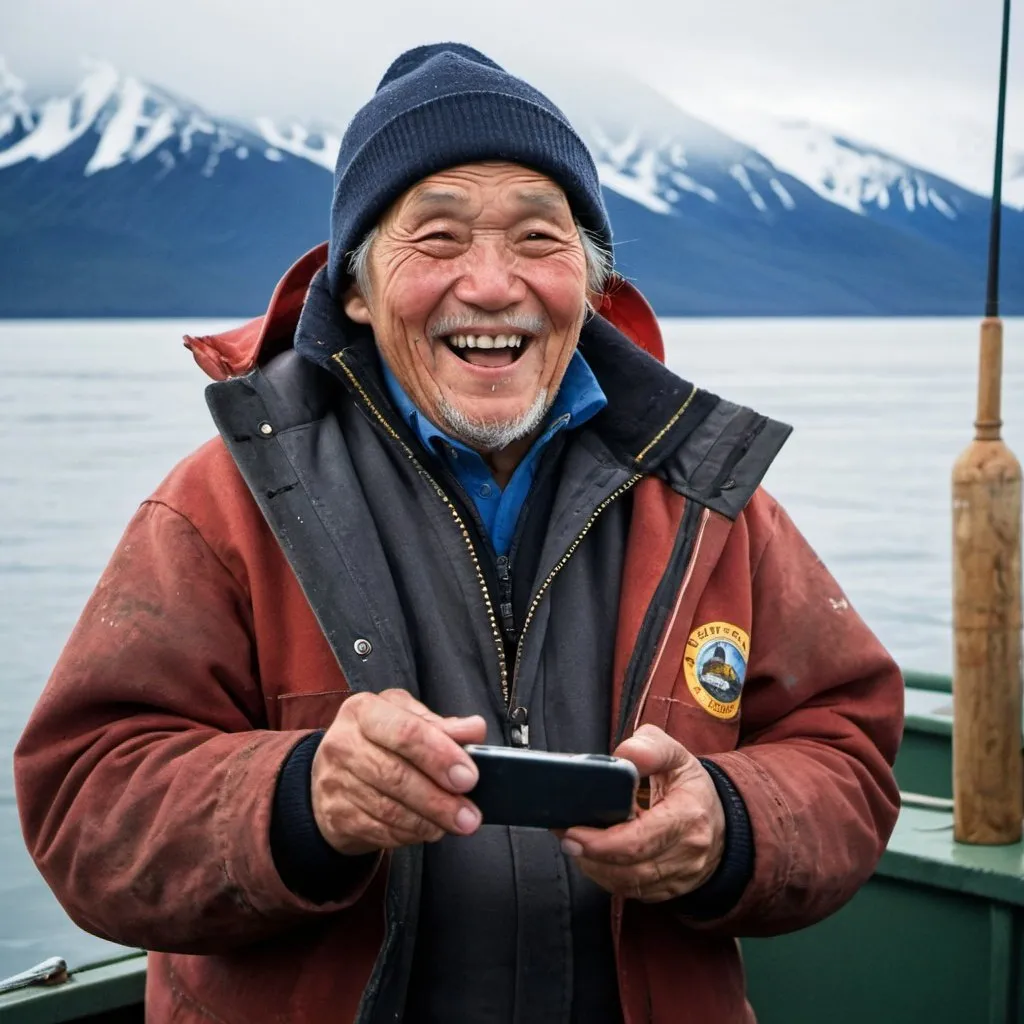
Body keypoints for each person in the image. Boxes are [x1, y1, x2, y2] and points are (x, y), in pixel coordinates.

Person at [14, 43, 903, 1024]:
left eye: (537, 238)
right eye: (436, 239)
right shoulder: (226, 504)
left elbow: (845, 755)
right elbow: (84, 801)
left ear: (590, 279)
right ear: (353, 287)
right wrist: (302, 796)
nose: (490, 284)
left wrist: (727, 823)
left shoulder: (709, 506)